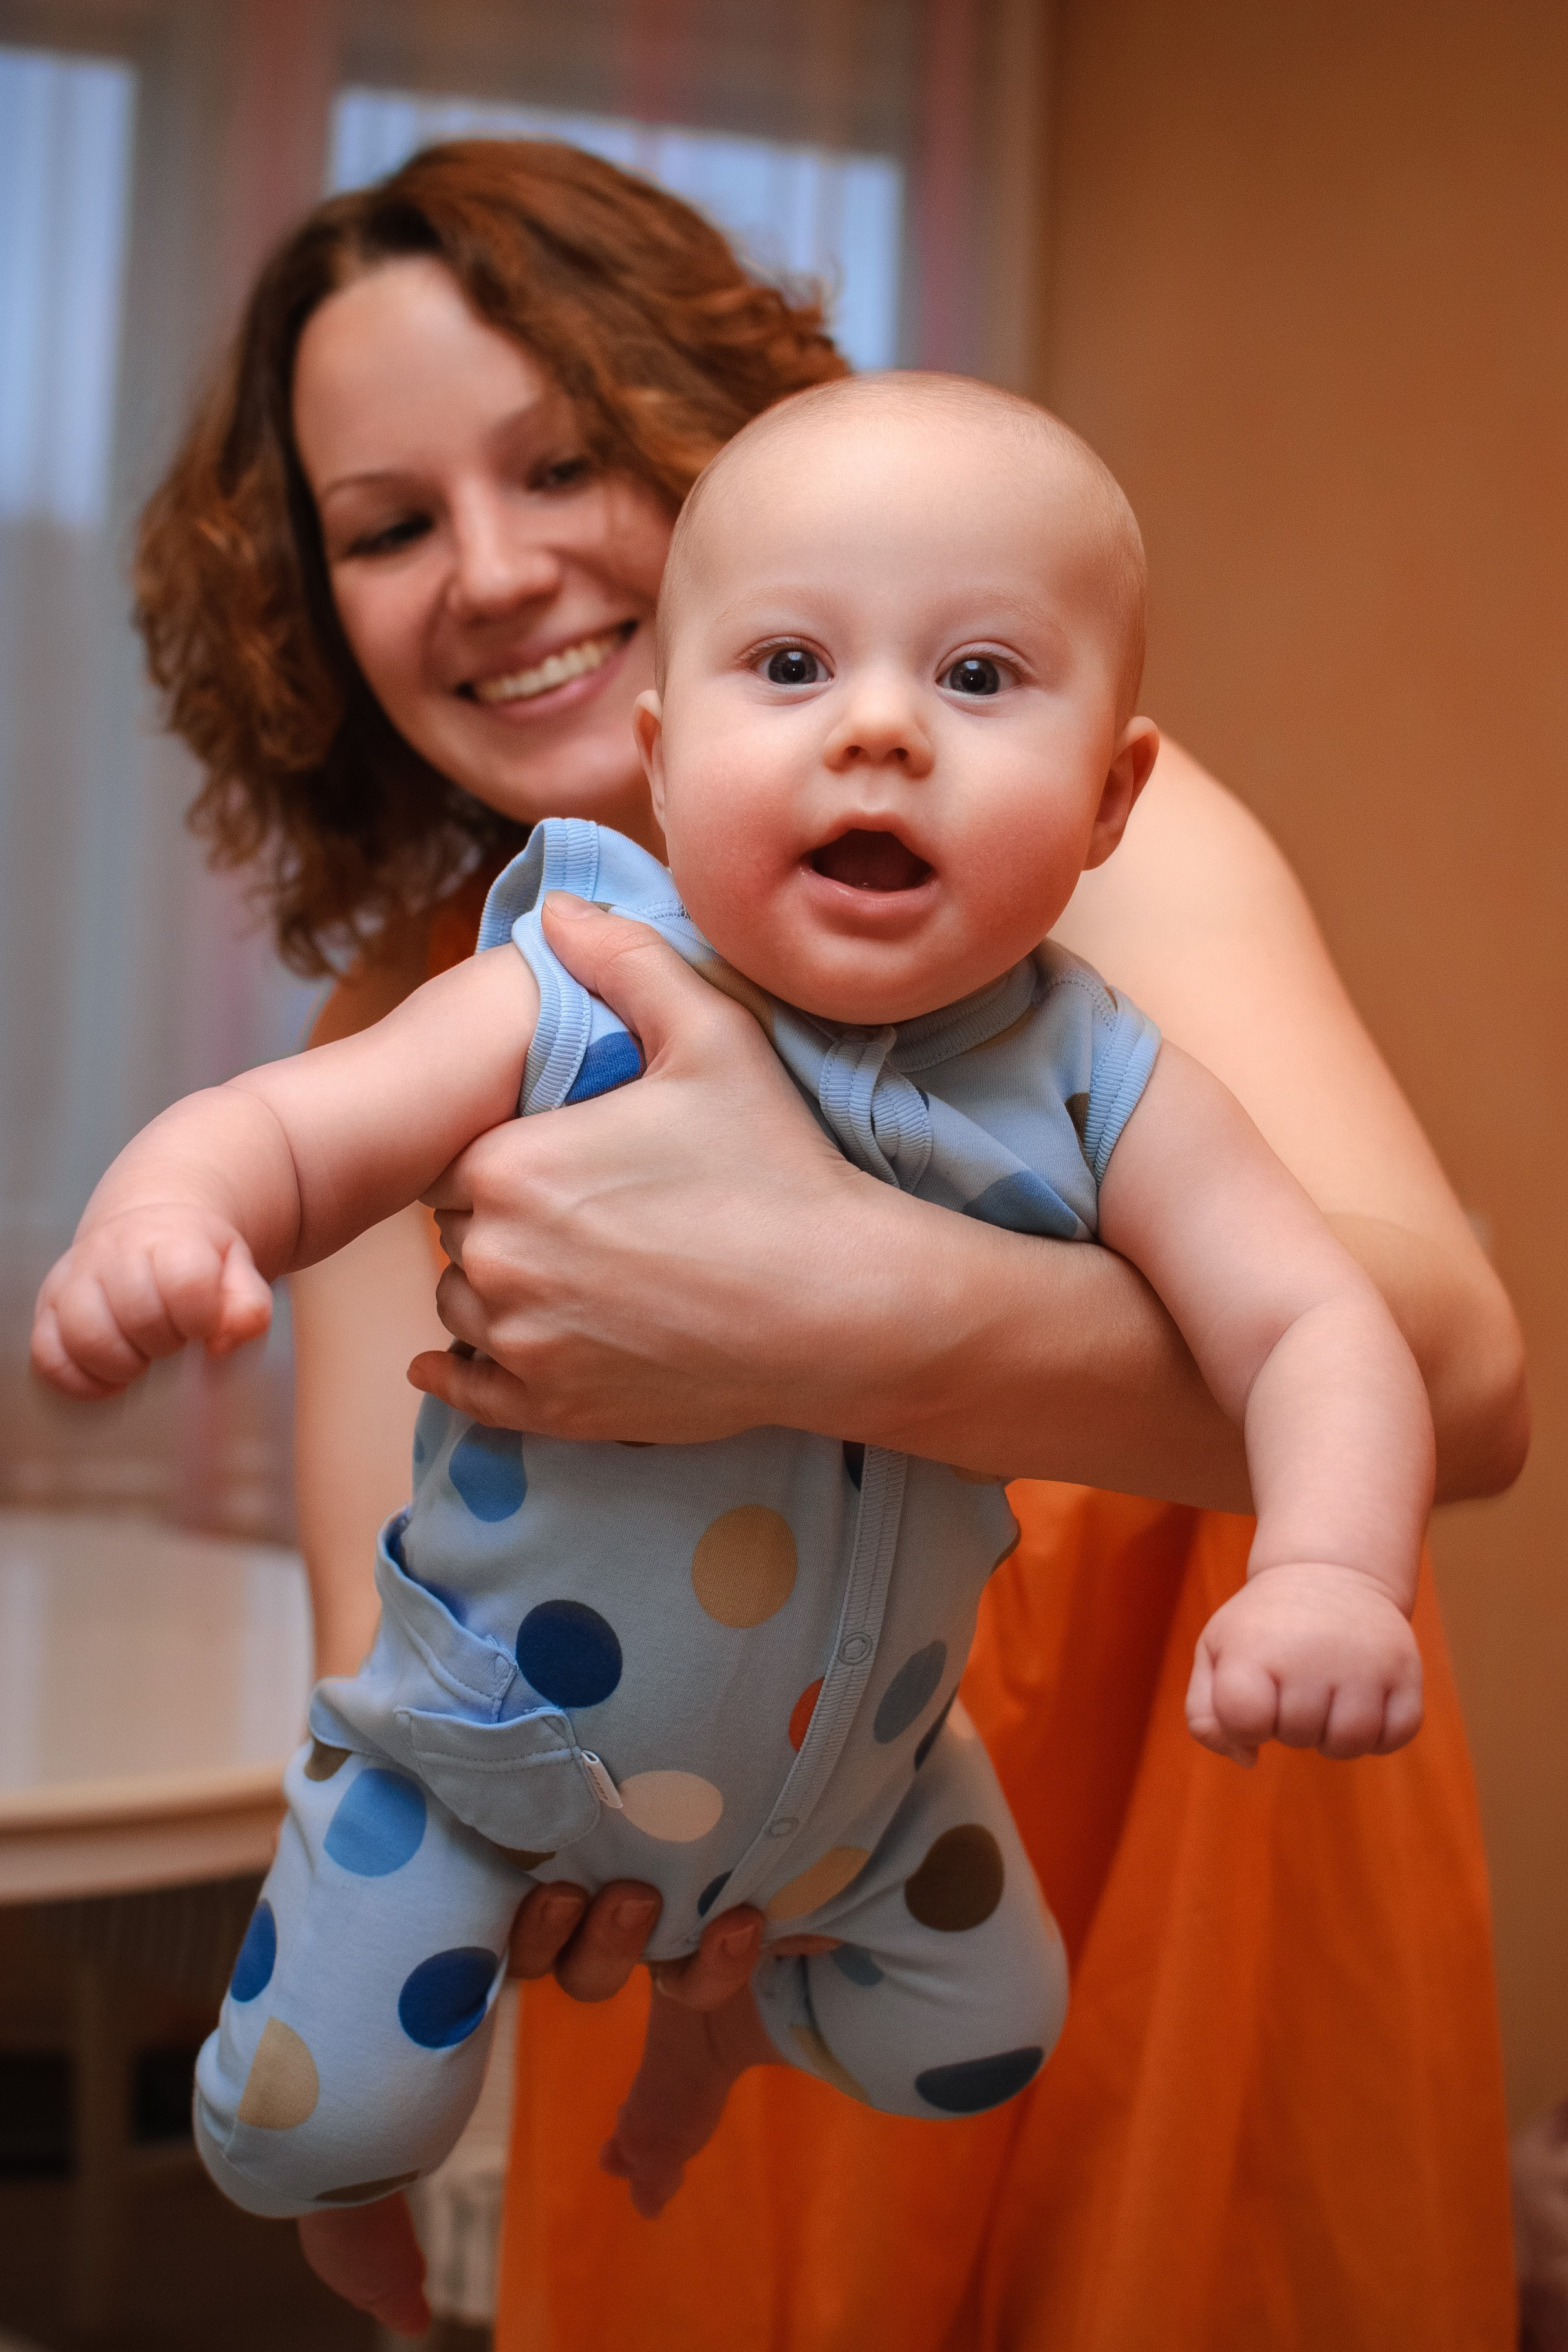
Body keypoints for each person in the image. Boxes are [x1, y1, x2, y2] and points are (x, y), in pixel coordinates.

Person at [127, 142, 1525, 2348]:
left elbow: (1447, 1376)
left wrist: (828, 1313)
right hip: (727, 1965)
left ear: (704, 438)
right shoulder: (418, 1027)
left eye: (562, 458)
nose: (488, 573)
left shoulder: (1049, 903)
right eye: (388, 526)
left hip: (1176, 1915)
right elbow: (383, 1635)